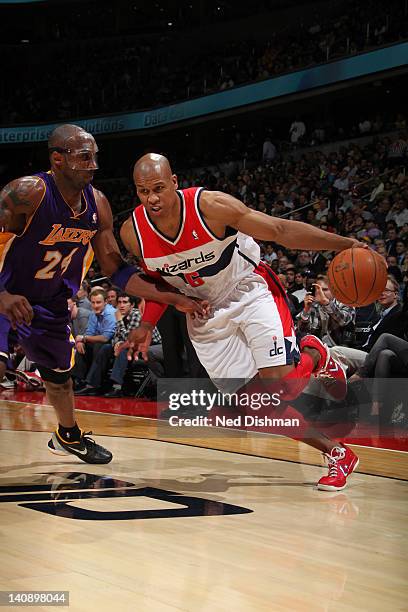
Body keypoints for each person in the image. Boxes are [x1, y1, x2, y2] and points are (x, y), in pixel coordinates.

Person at [120, 153, 368, 492]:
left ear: (175, 183)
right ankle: (337, 453)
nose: (152, 198)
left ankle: (315, 355)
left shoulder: (210, 206)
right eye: (143, 191)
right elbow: (159, 285)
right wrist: (147, 325)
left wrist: (345, 244)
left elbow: (280, 230)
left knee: (281, 385)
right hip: (204, 312)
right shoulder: (134, 232)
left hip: (248, 290)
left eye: (159, 188)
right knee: (259, 407)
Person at [0, 125, 208, 465]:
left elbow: (117, 269)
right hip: (6, 293)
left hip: (48, 302)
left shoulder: (97, 204)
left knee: (58, 378)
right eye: (84, 157)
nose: (93, 164)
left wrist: (172, 298)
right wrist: (2, 294)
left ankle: (68, 435)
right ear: (57, 159)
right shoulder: (27, 192)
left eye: (95, 157)